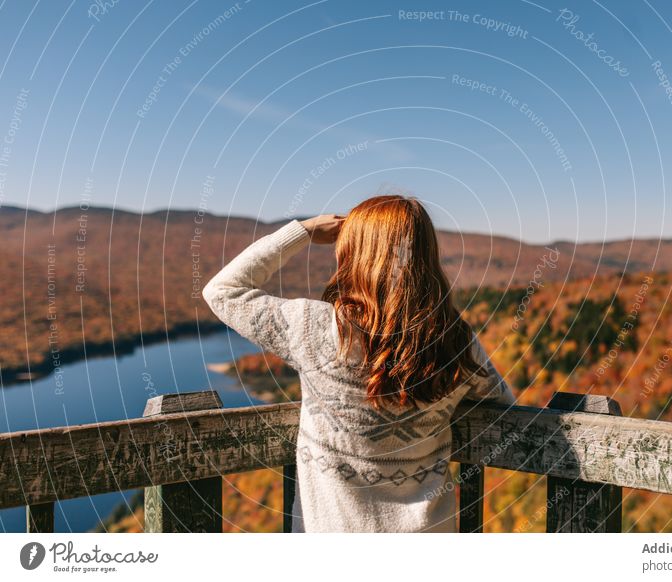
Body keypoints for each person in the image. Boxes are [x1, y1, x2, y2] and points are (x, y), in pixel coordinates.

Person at [202, 194, 515, 532]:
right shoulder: (455, 340)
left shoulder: (314, 327)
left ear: (353, 253)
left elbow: (222, 291)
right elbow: (502, 406)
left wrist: (303, 231)